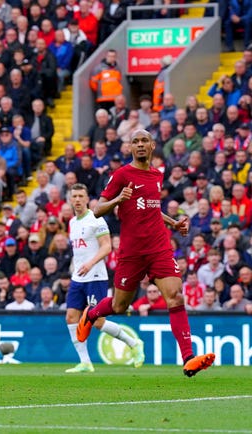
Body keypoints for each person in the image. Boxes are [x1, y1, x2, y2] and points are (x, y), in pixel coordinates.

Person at [77, 129, 215, 377]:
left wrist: (172, 223)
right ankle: (92, 313)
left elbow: (151, 208)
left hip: (159, 247)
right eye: (135, 142)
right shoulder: (121, 175)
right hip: (131, 251)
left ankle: (189, 358)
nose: (140, 145)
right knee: (120, 306)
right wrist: (119, 198)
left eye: (144, 141)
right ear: (130, 148)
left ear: (152, 146)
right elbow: (97, 210)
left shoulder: (156, 175)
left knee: (175, 297)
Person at [65, 183, 144, 373]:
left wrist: (90, 263)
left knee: (97, 321)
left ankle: (134, 343)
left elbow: (107, 247)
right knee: (71, 317)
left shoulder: (95, 219)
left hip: (96, 276)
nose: (77, 200)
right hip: (78, 278)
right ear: (70, 199)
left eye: (80, 196)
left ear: (86, 199)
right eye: (74, 196)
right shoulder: (72, 223)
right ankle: (85, 362)